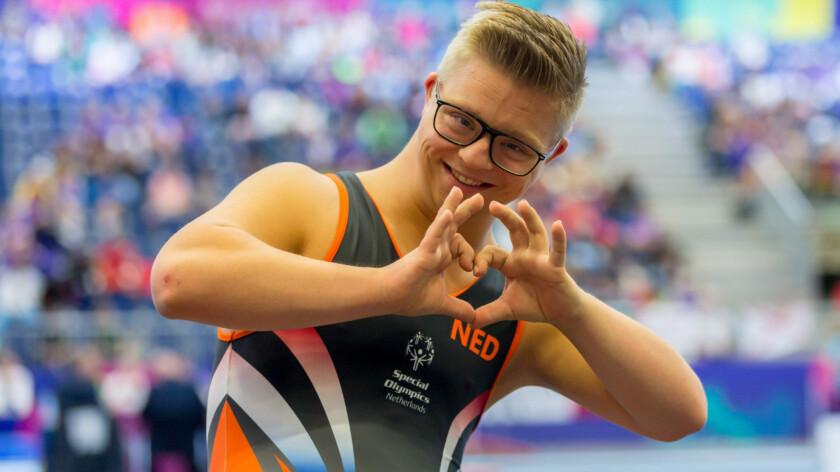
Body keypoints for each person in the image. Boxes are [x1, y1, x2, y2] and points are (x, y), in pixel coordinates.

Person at [150, 2, 707, 471]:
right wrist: (388, 289)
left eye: (512, 146)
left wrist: (574, 309)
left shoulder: (512, 310)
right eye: (461, 119)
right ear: (430, 93)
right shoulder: (312, 204)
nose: (472, 156)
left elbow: (679, 414)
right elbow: (176, 281)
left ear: (548, 157)